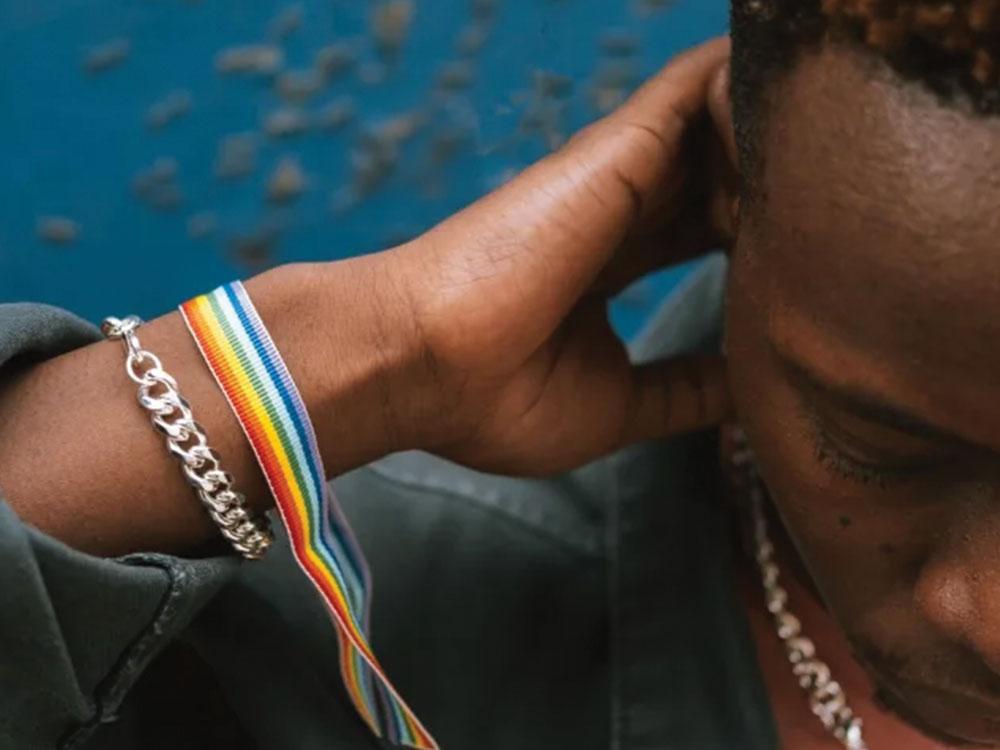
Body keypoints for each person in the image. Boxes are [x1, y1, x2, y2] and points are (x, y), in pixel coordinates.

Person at [2, 1, 999, 747]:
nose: (986, 621)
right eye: (874, 447)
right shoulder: (355, 620)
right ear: (730, 180)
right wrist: (366, 352)